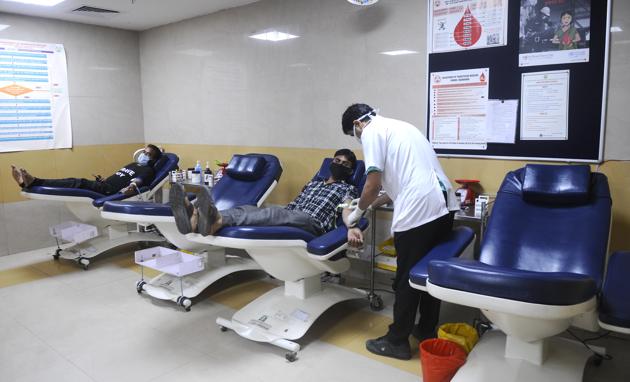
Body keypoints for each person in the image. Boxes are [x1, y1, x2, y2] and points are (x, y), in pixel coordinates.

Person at [341, 104, 458, 360]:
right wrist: (372, 204)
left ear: (358, 124)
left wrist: (357, 214)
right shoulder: (403, 127)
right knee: (428, 275)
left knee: (406, 278)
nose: (358, 139)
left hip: (419, 212)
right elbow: (395, 183)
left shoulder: (371, 132)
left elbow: (372, 183)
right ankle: (426, 329)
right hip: (443, 204)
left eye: (354, 134)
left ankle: (397, 342)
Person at [170, 149, 360, 237]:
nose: (339, 165)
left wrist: (351, 227)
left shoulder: (347, 188)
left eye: (345, 164)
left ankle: (205, 218)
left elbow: (346, 210)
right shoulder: (313, 184)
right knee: (249, 208)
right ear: (330, 163)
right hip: (292, 215)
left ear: (351, 171)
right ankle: (200, 219)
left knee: (273, 212)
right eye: (337, 161)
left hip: (312, 224)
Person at [11, 144, 163, 196]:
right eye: (144, 152)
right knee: (73, 181)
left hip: (108, 192)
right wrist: (104, 179)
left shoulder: (148, 170)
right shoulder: (132, 164)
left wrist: (132, 186)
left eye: (148, 154)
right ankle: (28, 183)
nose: (144, 155)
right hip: (104, 185)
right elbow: (119, 177)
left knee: (77, 182)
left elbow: (138, 181)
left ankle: (35, 181)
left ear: (153, 159)